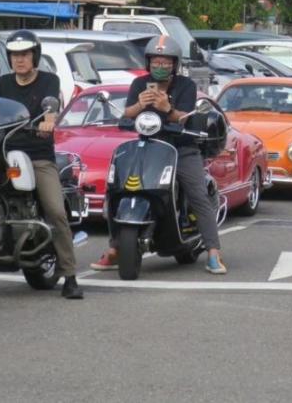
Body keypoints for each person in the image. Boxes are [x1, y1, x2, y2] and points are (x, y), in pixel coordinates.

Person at [0, 30, 84, 300]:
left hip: (36, 156)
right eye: (15, 55)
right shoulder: (3, 84)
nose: (20, 60)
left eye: (25, 54)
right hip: (2, 153)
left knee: (55, 211)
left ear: (35, 56)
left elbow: (51, 105)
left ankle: (70, 275)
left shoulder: (48, 81)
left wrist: (48, 120)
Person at [90, 35, 226, 274]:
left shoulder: (185, 86)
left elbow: (186, 117)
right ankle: (115, 247)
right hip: (148, 144)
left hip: (181, 148)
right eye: (156, 62)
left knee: (197, 194)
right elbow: (127, 115)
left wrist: (167, 109)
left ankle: (213, 253)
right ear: (148, 63)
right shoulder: (139, 85)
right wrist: (140, 104)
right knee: (117, 189)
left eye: (166, 62)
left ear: (175, 64)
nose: (160, 67)